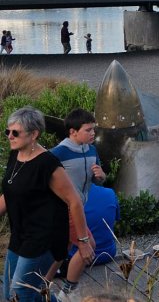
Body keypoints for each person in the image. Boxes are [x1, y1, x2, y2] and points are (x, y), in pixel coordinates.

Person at [0, 107, 94, 302]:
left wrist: (84, 242)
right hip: (21, 235)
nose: (10, 136)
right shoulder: (15, 156)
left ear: (34, 134)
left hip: (45, 237)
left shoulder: (48, 164)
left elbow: (74, 201)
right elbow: (10, 192)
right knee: (10, 290)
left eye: (15, 132)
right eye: (7, 131)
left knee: (20, 293)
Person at [49, 108, 107, 299]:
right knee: (88, 245)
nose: (93, 134)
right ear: (73, 132)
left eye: (93, 130)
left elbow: (98, 179)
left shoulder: (92, 150)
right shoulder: (57, 153)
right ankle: (67, 292)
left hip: (79, 207)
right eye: (88, 130)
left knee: (62, 248)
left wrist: (101, 176)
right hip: (64, 208)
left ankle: (41, 286)